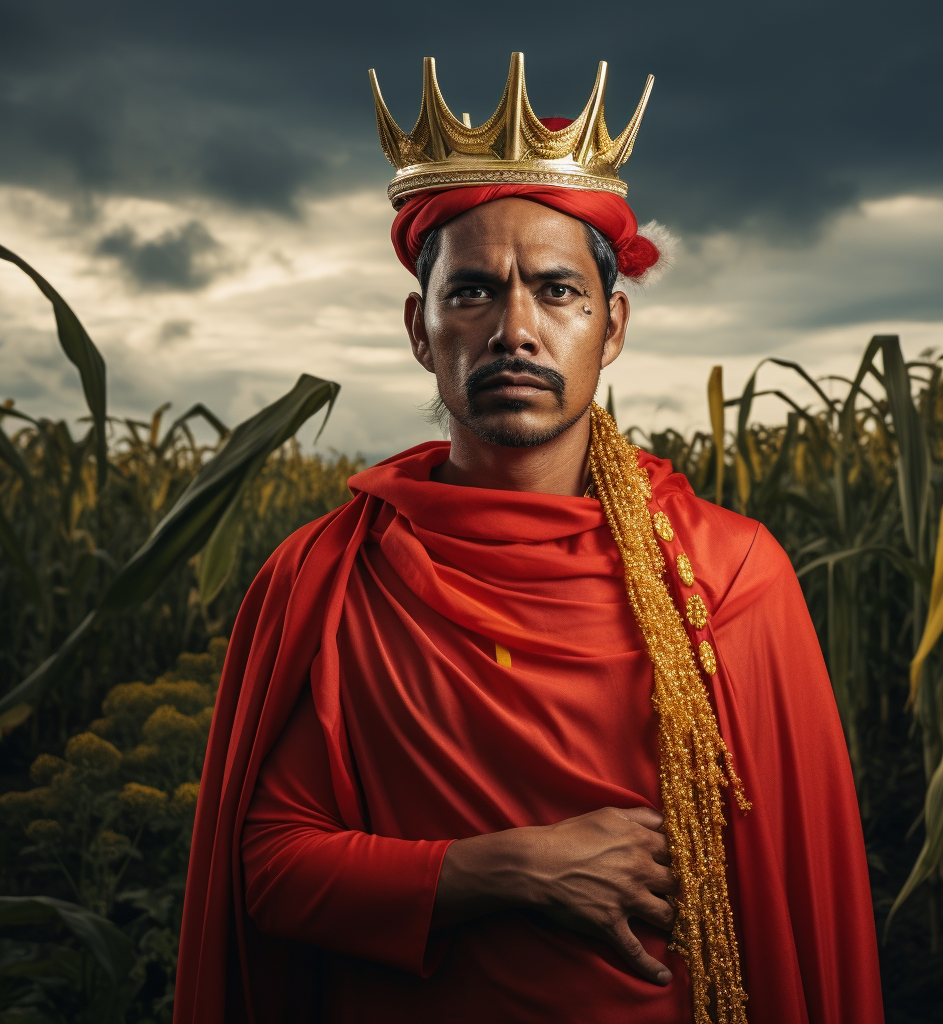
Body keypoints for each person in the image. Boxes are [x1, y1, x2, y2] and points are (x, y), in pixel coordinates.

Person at [174, 54, 884, 1024]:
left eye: (556, 292)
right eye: (472, 293)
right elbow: (270, 866)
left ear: (613, 325)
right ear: (421, 330)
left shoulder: (724, 575)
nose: (514, 328)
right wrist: (507, 868)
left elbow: (797, 912)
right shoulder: (336, 577)